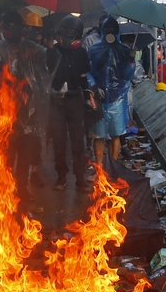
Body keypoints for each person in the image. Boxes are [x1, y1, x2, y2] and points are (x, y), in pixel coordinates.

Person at [0, 11, 51, 201]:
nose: (11, 29)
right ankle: (8, 188)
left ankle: (22, 187)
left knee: (25, 153)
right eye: (7, 25)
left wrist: (49, 42)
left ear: (22, 28)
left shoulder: (32, 48)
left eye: (14, 25)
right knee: (7, 155)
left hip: (27, 110)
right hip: (5, 109)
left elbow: (49, 59)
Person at [48, 16, 91, 192]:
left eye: (71, 33)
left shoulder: (81, 53)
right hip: (56, 101)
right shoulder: (53, 51)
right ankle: (61, 176)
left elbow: (84, 79)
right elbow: (47, 72)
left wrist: (88, 97)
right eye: (64, 32)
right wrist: (49, 49)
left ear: (78, 36)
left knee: (77, 142)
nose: (67, 36)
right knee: (58, 140)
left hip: (75, 100)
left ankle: (80, 178)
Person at [87, 16, 135, 164]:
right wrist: (93, 85)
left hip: (117, 98)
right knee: (98, 134)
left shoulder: (124, 50)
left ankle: (113, 166)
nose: (110, 33)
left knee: (116, 134)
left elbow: (127, 76)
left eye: (113, 30)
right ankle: (100, 168)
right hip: (98, 97)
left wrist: (131, 61)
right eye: (107, 30)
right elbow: (87, 70)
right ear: (102, 31)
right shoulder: (94, 50)